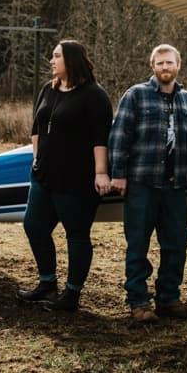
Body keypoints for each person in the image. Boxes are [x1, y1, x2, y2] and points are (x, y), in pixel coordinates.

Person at [109, 43, 187, 323]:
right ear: (153, 66)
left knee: (177, 243)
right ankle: (138, 302)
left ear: (178, 65)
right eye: (160, 63)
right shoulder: (136, 95)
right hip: (142, 182)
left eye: (170, 63)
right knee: (138, 243)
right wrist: (118, 174)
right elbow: (120, 136)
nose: (165, 67)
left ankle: (169, 299)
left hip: (174, 186)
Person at [17, 39, 114, 312]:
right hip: (43, 175)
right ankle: (47, 283)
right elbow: (36, 126)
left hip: (76, 179)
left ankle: (72, 294)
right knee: (34, 226)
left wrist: (101, 173)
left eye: (56, 56)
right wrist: (37, 157)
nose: (51, 60)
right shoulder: (48, 88)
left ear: (71, 60)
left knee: (76, 234)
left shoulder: (94, 95)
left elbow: (100, 139)